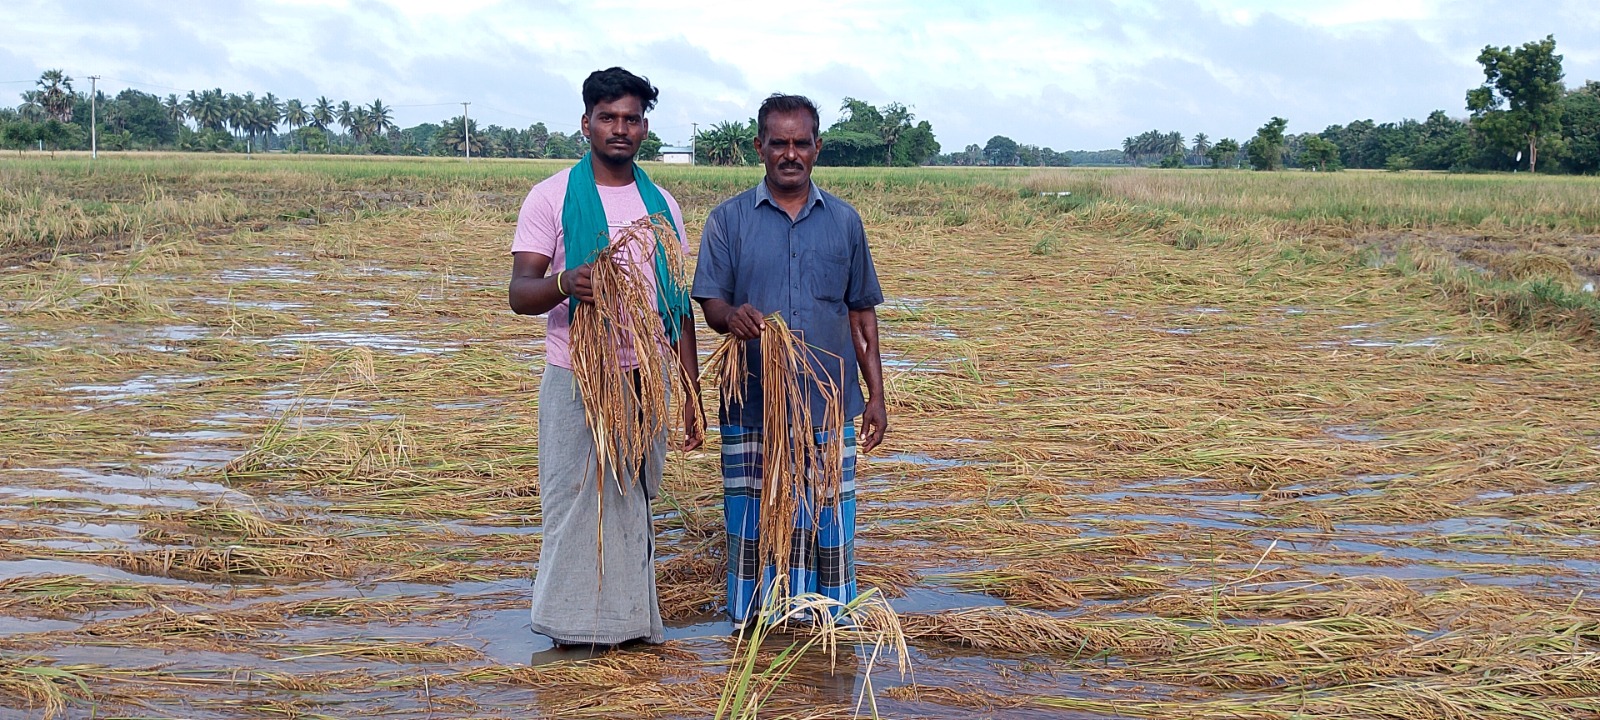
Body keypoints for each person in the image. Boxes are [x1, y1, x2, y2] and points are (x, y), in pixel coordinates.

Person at [508, 67, 703, 647]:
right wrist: (568, 282)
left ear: (645, 127)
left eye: (632, 118)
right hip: (576, 375)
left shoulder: (660, 204)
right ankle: (571, 628)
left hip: (646, 375)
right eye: (609, 117)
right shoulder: (551, 197)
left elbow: (677, 309)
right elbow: (520, 292)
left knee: (634, 497)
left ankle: (630, 625)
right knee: (573, 500)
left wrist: (691, 394)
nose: (621, 128)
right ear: (586, 123)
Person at [691, 93, 887, 630]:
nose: (791, 153)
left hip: (827, 406)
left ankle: (826, 628)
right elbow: (710, 303)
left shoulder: (845, 222)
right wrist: (731, 317)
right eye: (779, 143)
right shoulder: (727, 221)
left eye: (802, 143)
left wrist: (876, 398)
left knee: (828, 520)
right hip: (752, 402)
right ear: (760, 147)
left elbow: (861, 316)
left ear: (817, 148)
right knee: (754, 520)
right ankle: (754, 625)